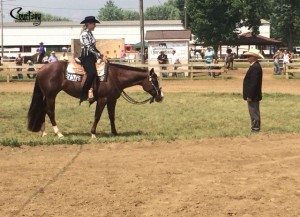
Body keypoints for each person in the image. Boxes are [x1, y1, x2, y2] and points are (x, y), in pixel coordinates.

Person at [79, 16, 103, 103]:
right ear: (88, 24)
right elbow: (88, 47)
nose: (95, 26)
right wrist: (98, 54)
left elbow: (93, 47)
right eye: (94, 24)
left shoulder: (90, 33)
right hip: (86, 57)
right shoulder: (85, 34)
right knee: (92, 72)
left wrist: (101, 54)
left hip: (91, 56)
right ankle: (84, 92)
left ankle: (95, 91)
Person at [243, 48, 264, 133]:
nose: (247, 58)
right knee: (253, 111)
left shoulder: (255, 67)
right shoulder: (255, 66)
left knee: (254, 111)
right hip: (254, 94)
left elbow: (253, 84)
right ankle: (255, 128)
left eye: (249, 56)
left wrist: (250, 95)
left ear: (254, 57)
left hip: (253, 95)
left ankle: (255, 129)